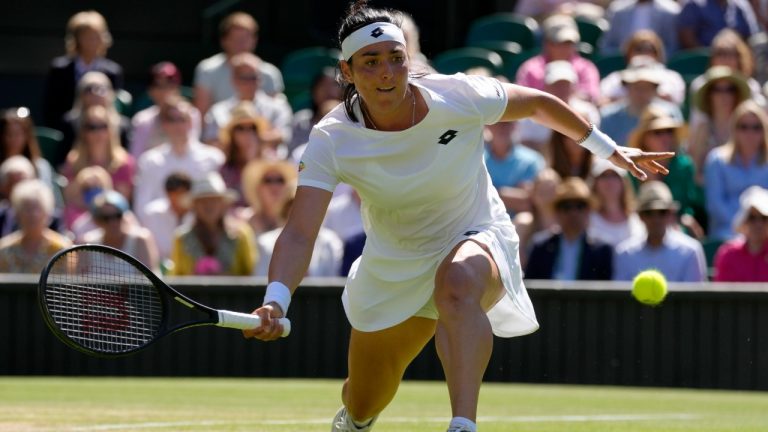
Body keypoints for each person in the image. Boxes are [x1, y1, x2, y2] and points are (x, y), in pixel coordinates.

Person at [241, 3, 673, 432]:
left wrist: (607, 148)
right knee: (364, 398)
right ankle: (356, 420)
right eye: (371, 63)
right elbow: (300, 232)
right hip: (395, 263)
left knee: (458, 283)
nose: (388, 72)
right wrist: (277, 299)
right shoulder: (331, 138)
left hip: (476, 230)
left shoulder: (458, 95)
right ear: (348, 71)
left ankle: (463, 424)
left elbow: (540, 103)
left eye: (396, 58)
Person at [133, 96, 225, 219]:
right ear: (164, 125)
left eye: (182, 119)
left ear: (191, 122)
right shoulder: (149, 161)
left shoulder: (214, 158)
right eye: (172, 120)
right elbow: (141, 208)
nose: (177, 125)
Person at [627, 105, 705, 238]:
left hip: (677, 226)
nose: (665, 137)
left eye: (669, 131)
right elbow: (630, 205)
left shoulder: (684, 166)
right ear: (645, 138)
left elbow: (688, 205)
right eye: (657, 132)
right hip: (640, 227)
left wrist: (685, 218)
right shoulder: (632, 167)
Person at [43, 10, 123, 131]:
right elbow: (51, 109)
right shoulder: (59, 69)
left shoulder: (113, 72)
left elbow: (114, 109)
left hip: (101, 133)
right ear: (76, 39)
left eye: (96, 36)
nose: (92, 41)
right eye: (87, 36)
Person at [193, 11, 284, 115]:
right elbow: (202, 115)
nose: (241, 44)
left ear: (255, 40)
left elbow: (276, 114)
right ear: (224, 41)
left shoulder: (270, 73)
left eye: (245, 39)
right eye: (236, 39)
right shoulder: (207, 70)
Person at [614, 181, 707, 282]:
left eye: (662, 212)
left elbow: (694, 296)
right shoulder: (624, 253)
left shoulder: (691, 251)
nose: (656, 219)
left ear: (671, 214)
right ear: (640, 216)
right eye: (648, 213)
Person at [524, 176, 614, 280]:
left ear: (588, 211)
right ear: (557, 212)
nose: (573, 213)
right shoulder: (540, 246)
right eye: (566, 206)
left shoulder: (602, 250)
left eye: (580, 206)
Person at [202, 52, 293, 153]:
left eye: (253, 77)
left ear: (260, 79)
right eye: (244, 78)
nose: (249, 83)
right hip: (229, 166)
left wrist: (236, 139)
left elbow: (283, 136)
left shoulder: (278, 107)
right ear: (234, 80)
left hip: (267, 165)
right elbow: (210, 142)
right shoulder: (218, 110)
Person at [704, 100, 768, 241]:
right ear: (734, 129)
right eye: (743, 127)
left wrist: (757, 227)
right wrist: (742, 226)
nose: (749, 133)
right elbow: (715, 204)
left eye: (756, 127)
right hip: (726, 233)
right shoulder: (716, 160)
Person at [169, 172, 256, 276]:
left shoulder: (241, 234)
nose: (209, 206)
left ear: (223, 204)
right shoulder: (181, 238)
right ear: (194, 206)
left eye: (214, 200)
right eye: (203, 201)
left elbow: (251, 274)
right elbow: (175, 278)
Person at [515, 14, 602, 104]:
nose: (565, 48)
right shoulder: (530, 68)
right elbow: (521, 99)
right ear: (547, 43)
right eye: (560, 43)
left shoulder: (586, 68)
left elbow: (592, 97)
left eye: (569, 43)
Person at [60, 105, 136, 208]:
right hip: (79, 217)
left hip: (110, 219)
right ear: (83, 132)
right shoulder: (73, 160)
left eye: (103, 126)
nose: (98, 133)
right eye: (92, 127)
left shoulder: (124, 163)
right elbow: (69, 199)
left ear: (111, 130)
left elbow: (121, 203)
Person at [599, 55, 683, 146]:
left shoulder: (671, 113)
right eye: (637, 87)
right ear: (627, 87)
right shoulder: (608, 116)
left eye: (647, 87)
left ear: (655, 89)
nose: (641, 93)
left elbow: (678, 149)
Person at [688, 66, 752, 181]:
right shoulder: (703, 128)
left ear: (736, 94)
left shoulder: (747, 126)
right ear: (709, 95)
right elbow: (695, 171)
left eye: (730, 89)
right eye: (717, 90)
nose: (724, 95)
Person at [129, 61, 202, 159]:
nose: (164, 91)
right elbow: (136, 157)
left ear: (177, 88)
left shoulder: (192, 114)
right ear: (150, 91)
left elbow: (193, 150)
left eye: (169, 85)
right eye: (158, 86)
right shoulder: (142, 119)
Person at [599, 30, 686, 107]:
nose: (645, 53)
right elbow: (602, 103)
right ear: (629, 53)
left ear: (658, 53)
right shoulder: (614, 78)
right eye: (639, 49)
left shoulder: (672, 77)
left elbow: (675, 105)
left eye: (650, 49)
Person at [0, 179, 72, 273]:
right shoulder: (4, 249)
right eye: (27, 209)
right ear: (17, 213)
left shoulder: (62, 249)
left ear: (48, 212)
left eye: (37, 208)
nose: (33, 214)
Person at [83, 190, 159, 272]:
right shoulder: (87, 244)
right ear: (97, 220)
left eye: (117, 215)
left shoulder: (140, 240)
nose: (113, 222)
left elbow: (150, 278)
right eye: (106, 218)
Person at [218, 102, 273, 207]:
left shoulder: (271, 162)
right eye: (240, 128)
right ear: (232, 134)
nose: (247, 133)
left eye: (252, 128)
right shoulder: (225, 168)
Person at [0, 107, 57, 200]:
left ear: (27, 136)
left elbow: (47, 199)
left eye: (18, 134)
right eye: (9, 134)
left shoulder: (41, 167)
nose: (14, 139)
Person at [713, 186, 768, 281]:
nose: (758, 224)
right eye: (752, 218)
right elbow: (721, 293)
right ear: (744, 221)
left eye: (764, 218)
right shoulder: (728, 254)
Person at [139, 172, 193, 268]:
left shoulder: (198, 215)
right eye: (173, 194)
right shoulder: (151, 214)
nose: (177, 199)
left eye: (181, 194)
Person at [587, 159, 645, 247]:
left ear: (624, 182)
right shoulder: (587, 220)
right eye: (603, 176)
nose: (609, 181)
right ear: (595, 183)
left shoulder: (638, 220)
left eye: (615, 175)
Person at [237, 159, 298, 237]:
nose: (274, 186)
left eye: (280, 180)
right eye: (268, 180)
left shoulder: (295, 221)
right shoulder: (244, 220)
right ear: (258, 188)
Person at [288, 68, 343, 153]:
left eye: (334, 85)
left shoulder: (354, 121)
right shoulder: (301, 121)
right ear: (313, 91)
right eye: (323, 86)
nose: (329, 91)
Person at [599, 0, 681, 57]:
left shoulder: (671, 11)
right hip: (621, 67)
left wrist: (651, 59)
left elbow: (673, 47)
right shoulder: (618, 9)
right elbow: (607, 46)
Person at [677, 0, 760, 49]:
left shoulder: (741, 5)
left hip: (738, 62)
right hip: (702, 64)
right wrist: (715, 56)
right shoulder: (694, 4)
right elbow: (686, 38)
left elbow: (751, 37)